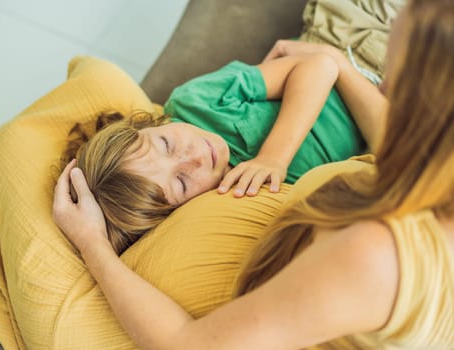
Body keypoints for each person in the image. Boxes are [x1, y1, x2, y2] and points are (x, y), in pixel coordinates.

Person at [52, 0, 454, 348]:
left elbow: (326, 70)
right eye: (180, 181)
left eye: (393, 82)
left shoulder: (378, 243)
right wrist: (334, 63)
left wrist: (332, 65)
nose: (192, 158)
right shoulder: (377, 249)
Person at [64, 52, 367, 254]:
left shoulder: (193, 103)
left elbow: (320, 65)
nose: (194, 157)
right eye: (182, 182)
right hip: (383, 124)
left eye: (166, 143)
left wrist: (273, 157)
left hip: (360, 59)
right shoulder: (230, 201)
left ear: (144, 125)